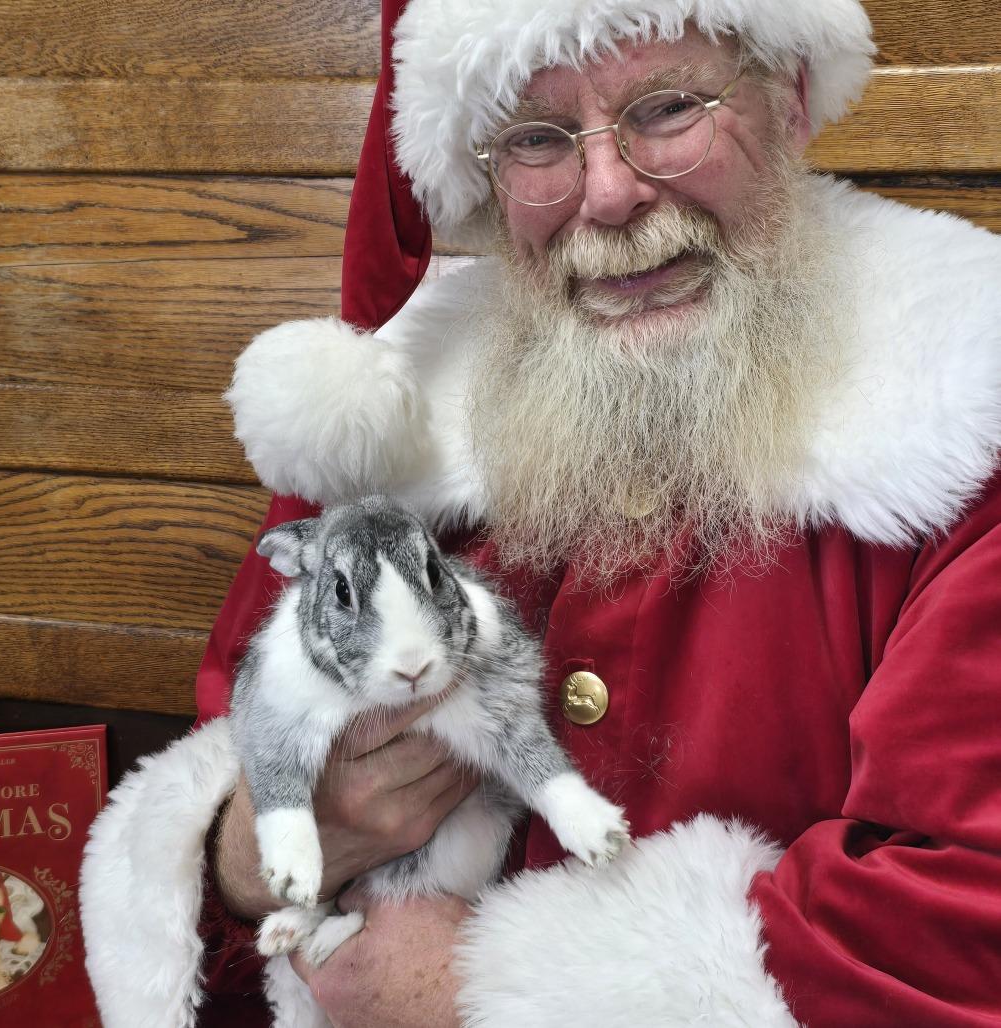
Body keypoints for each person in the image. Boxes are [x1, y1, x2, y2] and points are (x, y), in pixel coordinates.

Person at [80, 0, 1001, 1025]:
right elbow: (229, 832)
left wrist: (473, 991)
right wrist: (248, 852)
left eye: (666, 109)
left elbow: (966, 926)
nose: (605, 195)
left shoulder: (963, 399)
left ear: (785, 98)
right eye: (536, 138)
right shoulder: (390, 413)